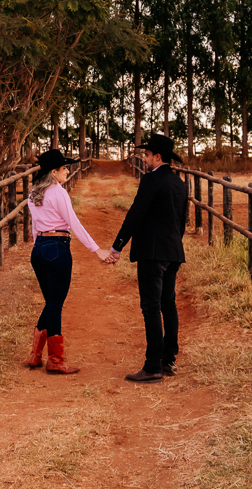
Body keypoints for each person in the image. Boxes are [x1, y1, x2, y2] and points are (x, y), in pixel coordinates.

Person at [104, 133, 188, 383]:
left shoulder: (151, 180)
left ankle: (153, 366)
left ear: (158, 157)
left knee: (151, 307)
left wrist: (117, 246)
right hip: (173, 251)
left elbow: (135, 214)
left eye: (147, 154)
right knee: (168, 305)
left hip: (152, 253)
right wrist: (173, 245)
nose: (144, 158)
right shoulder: (179, 183)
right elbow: (181, 220)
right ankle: (168, 360)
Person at [25, 148, 110, 374]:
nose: (67, 172)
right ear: (53, 172)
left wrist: (38, 247)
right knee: (55, 304)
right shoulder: (58, 192)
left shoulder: (34, 193)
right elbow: (73, 223)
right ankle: (55, 360)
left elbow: (35, 227)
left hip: (39, 249)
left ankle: (35, 355)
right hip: (56, 248)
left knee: (51, 302)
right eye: (64, 168)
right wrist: (96, 250)